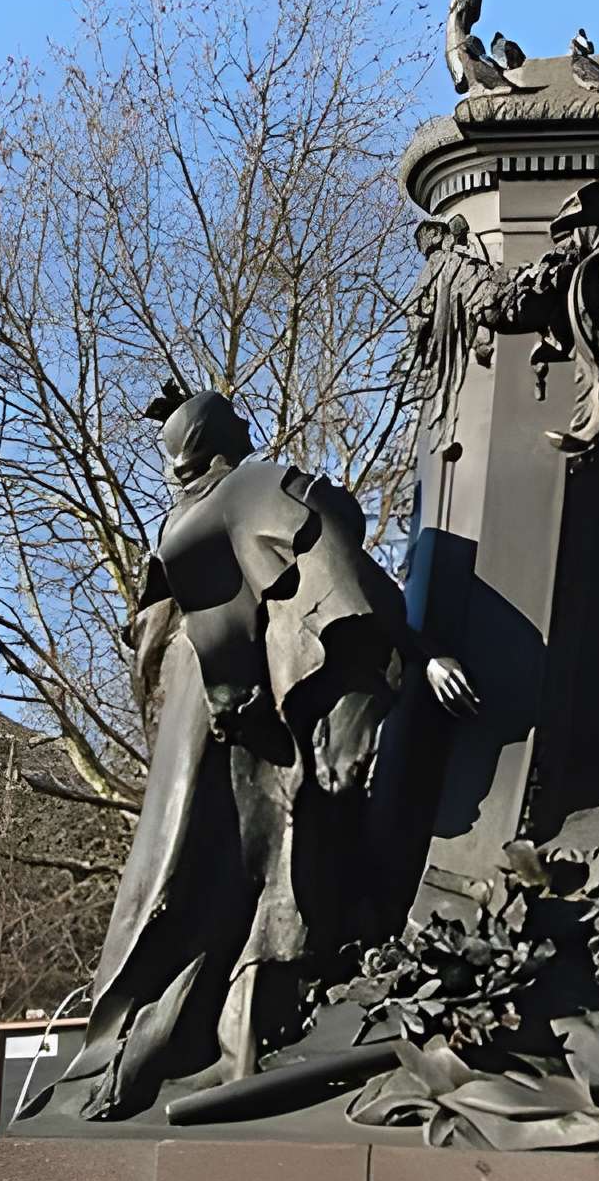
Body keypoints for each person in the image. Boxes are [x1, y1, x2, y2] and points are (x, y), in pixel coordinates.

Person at [37, 387, 477, 1121]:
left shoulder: (181, 522)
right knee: (260, 870)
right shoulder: (256, 488)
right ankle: (212, 1046)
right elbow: (339, 583)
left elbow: (151, 639)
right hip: (246, 727)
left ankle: (143, 1049)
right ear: (218, 441)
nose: (248, 432)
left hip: (197, 714)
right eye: (237, 426)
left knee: (183, 870)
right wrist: (419, 653)